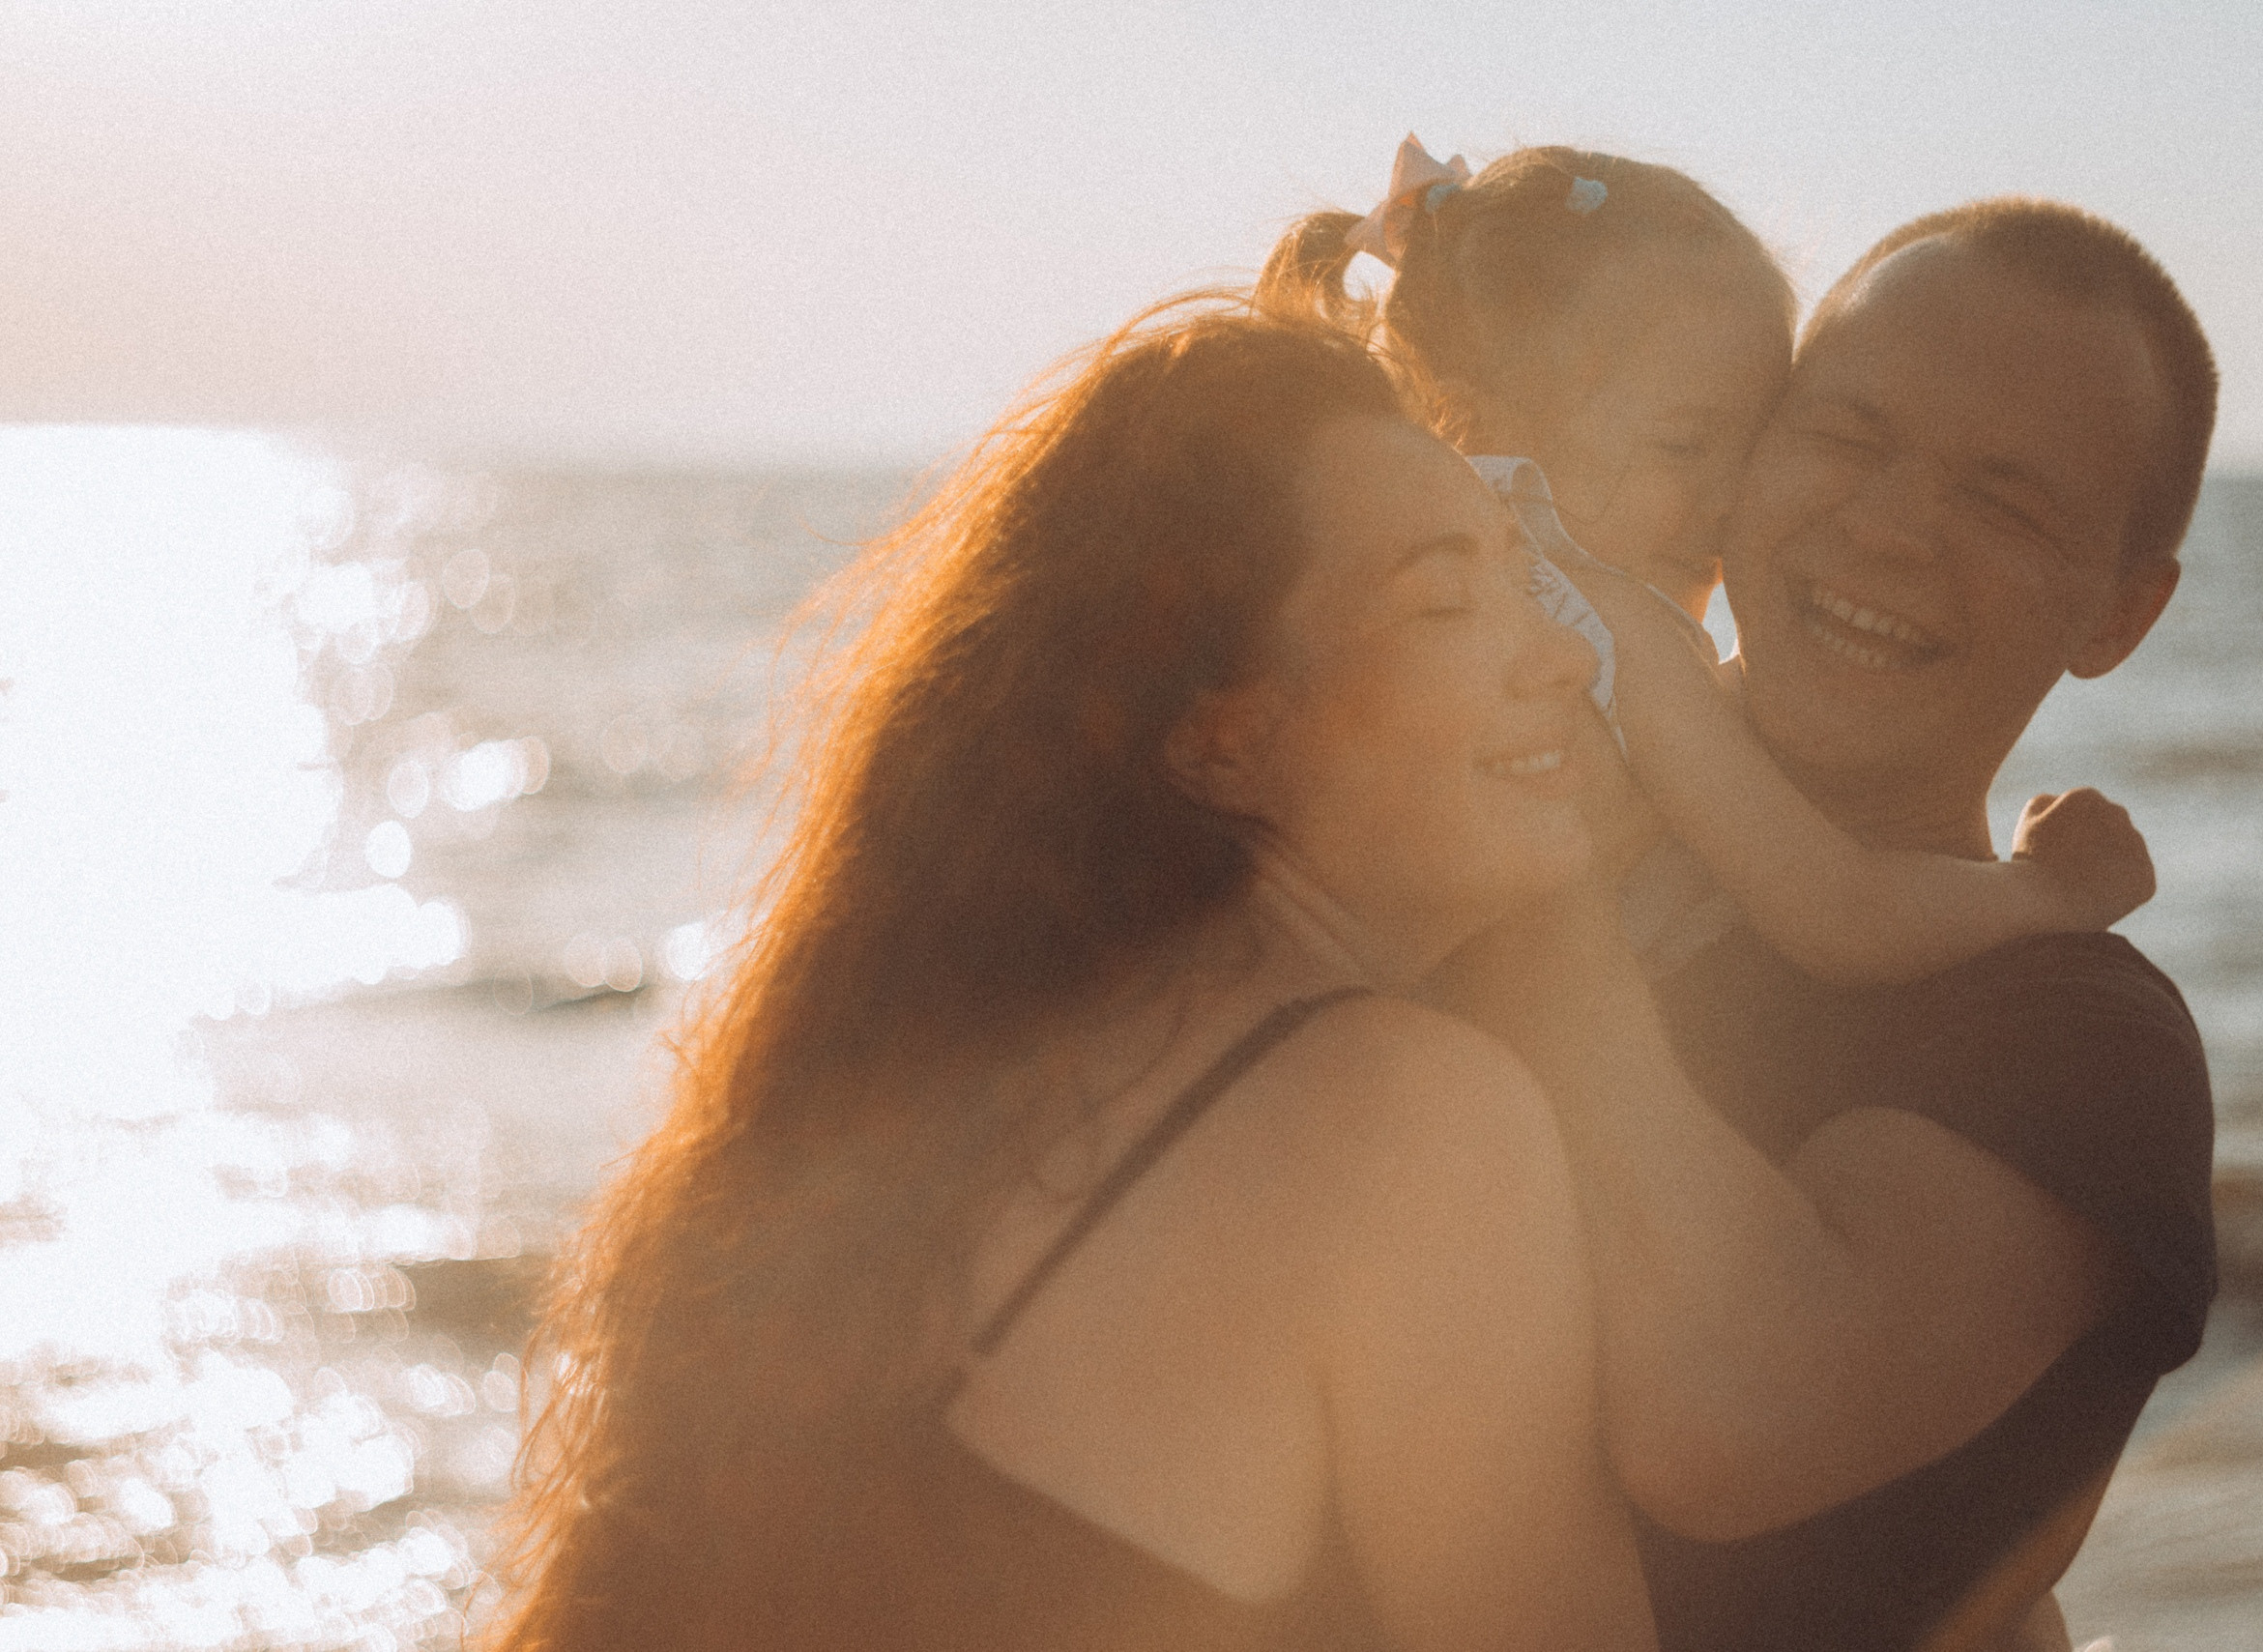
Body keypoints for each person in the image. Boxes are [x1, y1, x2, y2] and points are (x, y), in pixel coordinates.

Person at [486, 301, 1652, 1652]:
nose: (1562, 655)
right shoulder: (1408, 1121)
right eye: (1447, 598)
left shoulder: (949, 1076)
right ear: (1222, 736)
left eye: (1527, 582)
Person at [1267, 143, 2218, 1648]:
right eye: (1843, 434)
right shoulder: (1458, 726)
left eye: (2006, 503)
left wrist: (1535, 879)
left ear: (2121, 608)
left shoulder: (2081, 1034)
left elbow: (1723, 1415)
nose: (1890, 529)